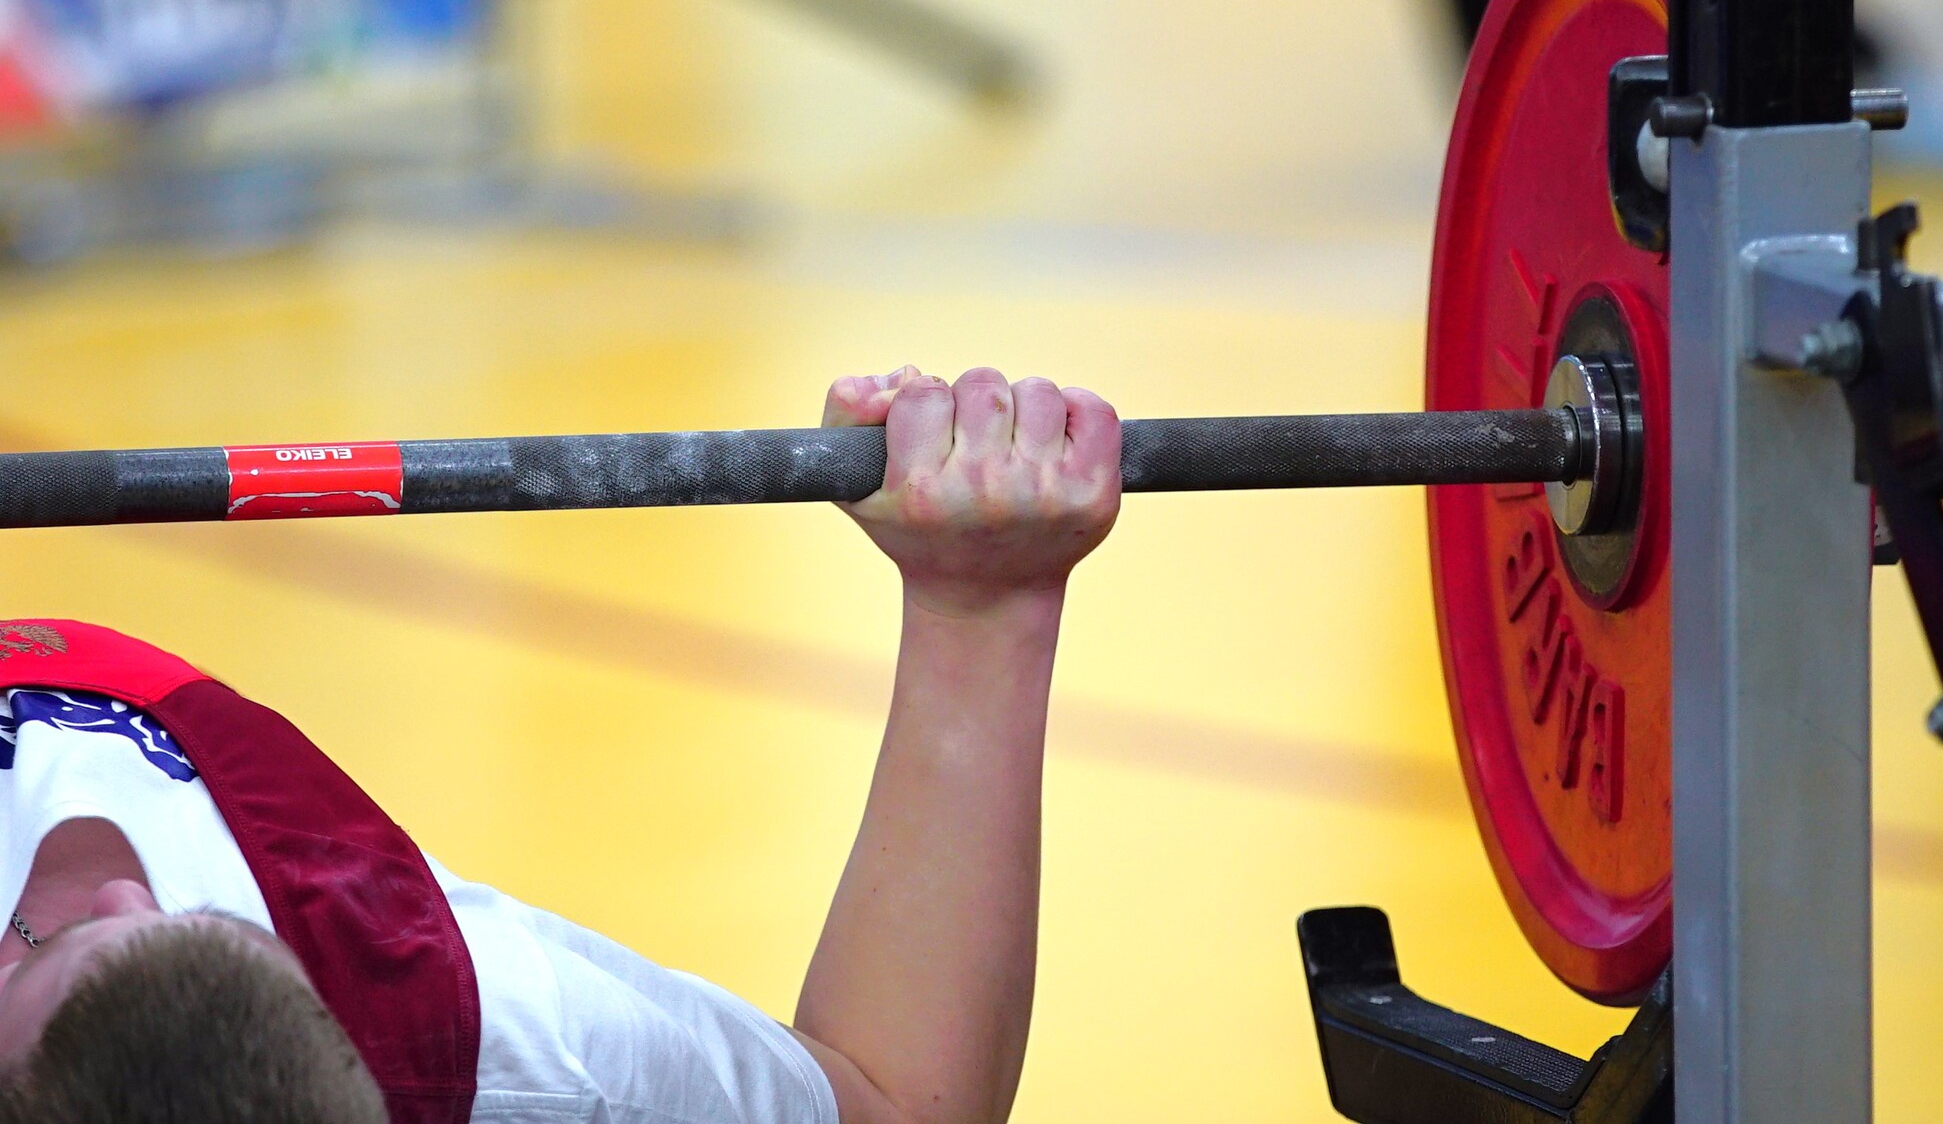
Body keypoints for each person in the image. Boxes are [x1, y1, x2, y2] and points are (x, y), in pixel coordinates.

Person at [0, 364, 1122, 1124]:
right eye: (211, 931)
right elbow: (891, 1100)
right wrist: (981, 608)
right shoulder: (445, 1006)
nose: (120, 896)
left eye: (35, 948)